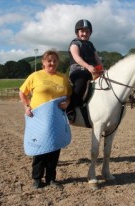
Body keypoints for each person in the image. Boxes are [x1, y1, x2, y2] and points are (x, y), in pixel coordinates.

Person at [19, 50, 72, 189]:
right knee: (39, 147)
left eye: (55, 60)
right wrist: (27, 106)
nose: (52, 63)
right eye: (49, 60)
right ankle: (36, 179)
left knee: (54, 148)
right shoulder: (35, 76)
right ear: (43, 62)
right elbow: (22, 92)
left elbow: (69, 95)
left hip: (56, 119)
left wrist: (67, 103)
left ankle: (51, 178)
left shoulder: (63, 78)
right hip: (38, 118)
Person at [67, 19, 103, 120]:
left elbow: (97, 58)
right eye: (82, 31)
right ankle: (70, 109)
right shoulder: (75, 43)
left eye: (87, 31)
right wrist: (88, 67)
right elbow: (77, 57)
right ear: (77, 32)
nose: (84, 33)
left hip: (92, 71)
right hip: (79, 71)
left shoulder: (91, 45)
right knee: (80, 84)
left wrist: (101, 68)